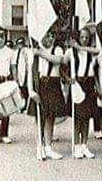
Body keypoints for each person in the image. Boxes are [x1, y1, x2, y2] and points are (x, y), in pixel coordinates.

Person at [28, 31, 67, 160]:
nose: (49, 38)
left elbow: (59, 60)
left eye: (51, 35)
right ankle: (40, 145)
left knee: (51, 116)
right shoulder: (34, 51)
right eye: (46, 35)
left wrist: (42, 54)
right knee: (40, 117)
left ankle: (48, 147)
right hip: (40, 84)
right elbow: (30, 71)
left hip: (53, 84)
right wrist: (30, 91)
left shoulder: (57, 49)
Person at [66, 27, 102, 159]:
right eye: (82, 37)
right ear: (78, 38)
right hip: (77, 85)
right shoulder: (71, 52)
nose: (84, 39)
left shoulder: (91, 53)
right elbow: (62, 64)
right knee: (77, 119)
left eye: (87, 37)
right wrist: (67, 78)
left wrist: (81, 48)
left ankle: (84, 145)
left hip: (89, 85)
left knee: (86, 118)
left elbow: (98, 50)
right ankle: (76, 146)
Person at [14, 38, 29, 111]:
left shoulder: (27, 51)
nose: (21, 45)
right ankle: (21, 106)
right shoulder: (16, 52)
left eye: (22, 43)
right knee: (19, 90)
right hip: (19, 72)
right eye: (19, 44)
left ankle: (26, 106)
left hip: (26, 72)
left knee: (26, 90)